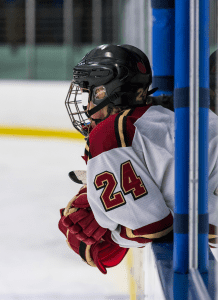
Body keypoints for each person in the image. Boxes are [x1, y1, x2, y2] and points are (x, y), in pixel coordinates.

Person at [58, 44, 218, 274]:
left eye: (91, 94)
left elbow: (153, 228)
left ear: (105, 92)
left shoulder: (110, 135)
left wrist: (111, 232)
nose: (89, 106)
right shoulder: (163, 115)